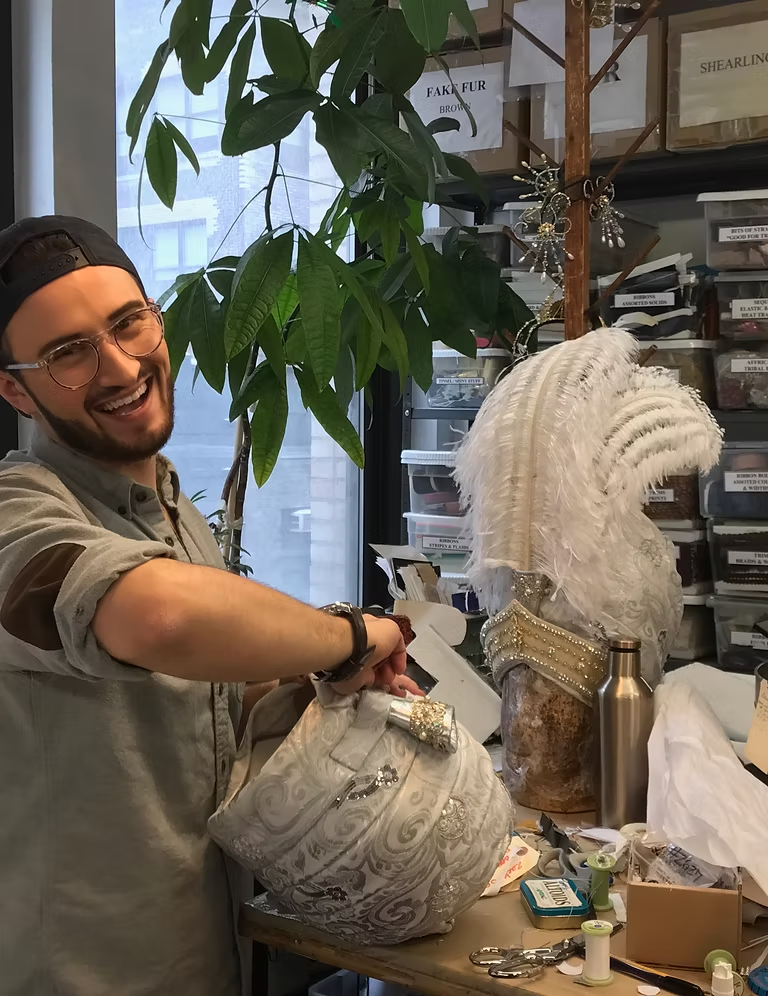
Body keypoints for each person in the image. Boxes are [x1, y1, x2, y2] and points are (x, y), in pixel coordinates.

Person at [0, 216, 416, 996]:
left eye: (128, 322)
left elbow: (199, 714)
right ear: (15, 388)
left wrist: (315, 685)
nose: (120, 365)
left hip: (205, 951)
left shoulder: (173, 510)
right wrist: (349, 634)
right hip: (85, 975)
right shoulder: (18, 516)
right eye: (67, 352)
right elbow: (156, 619)